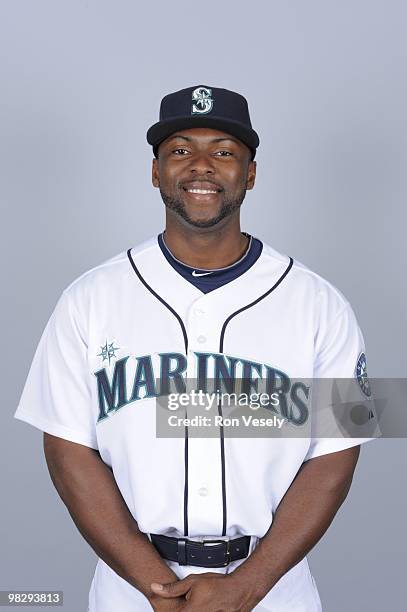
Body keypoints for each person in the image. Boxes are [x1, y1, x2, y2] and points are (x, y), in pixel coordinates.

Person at [14, 85, 380, 611]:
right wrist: (154, 586)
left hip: (273, 589)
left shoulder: (321, 303)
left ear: (250, 174)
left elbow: (338, 453)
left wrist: (248, 585)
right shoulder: (89, 298)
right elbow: (67, 447)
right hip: (131, 588)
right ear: (156, 171)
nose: (201, 166)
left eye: (224, 152)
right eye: (181, 150)